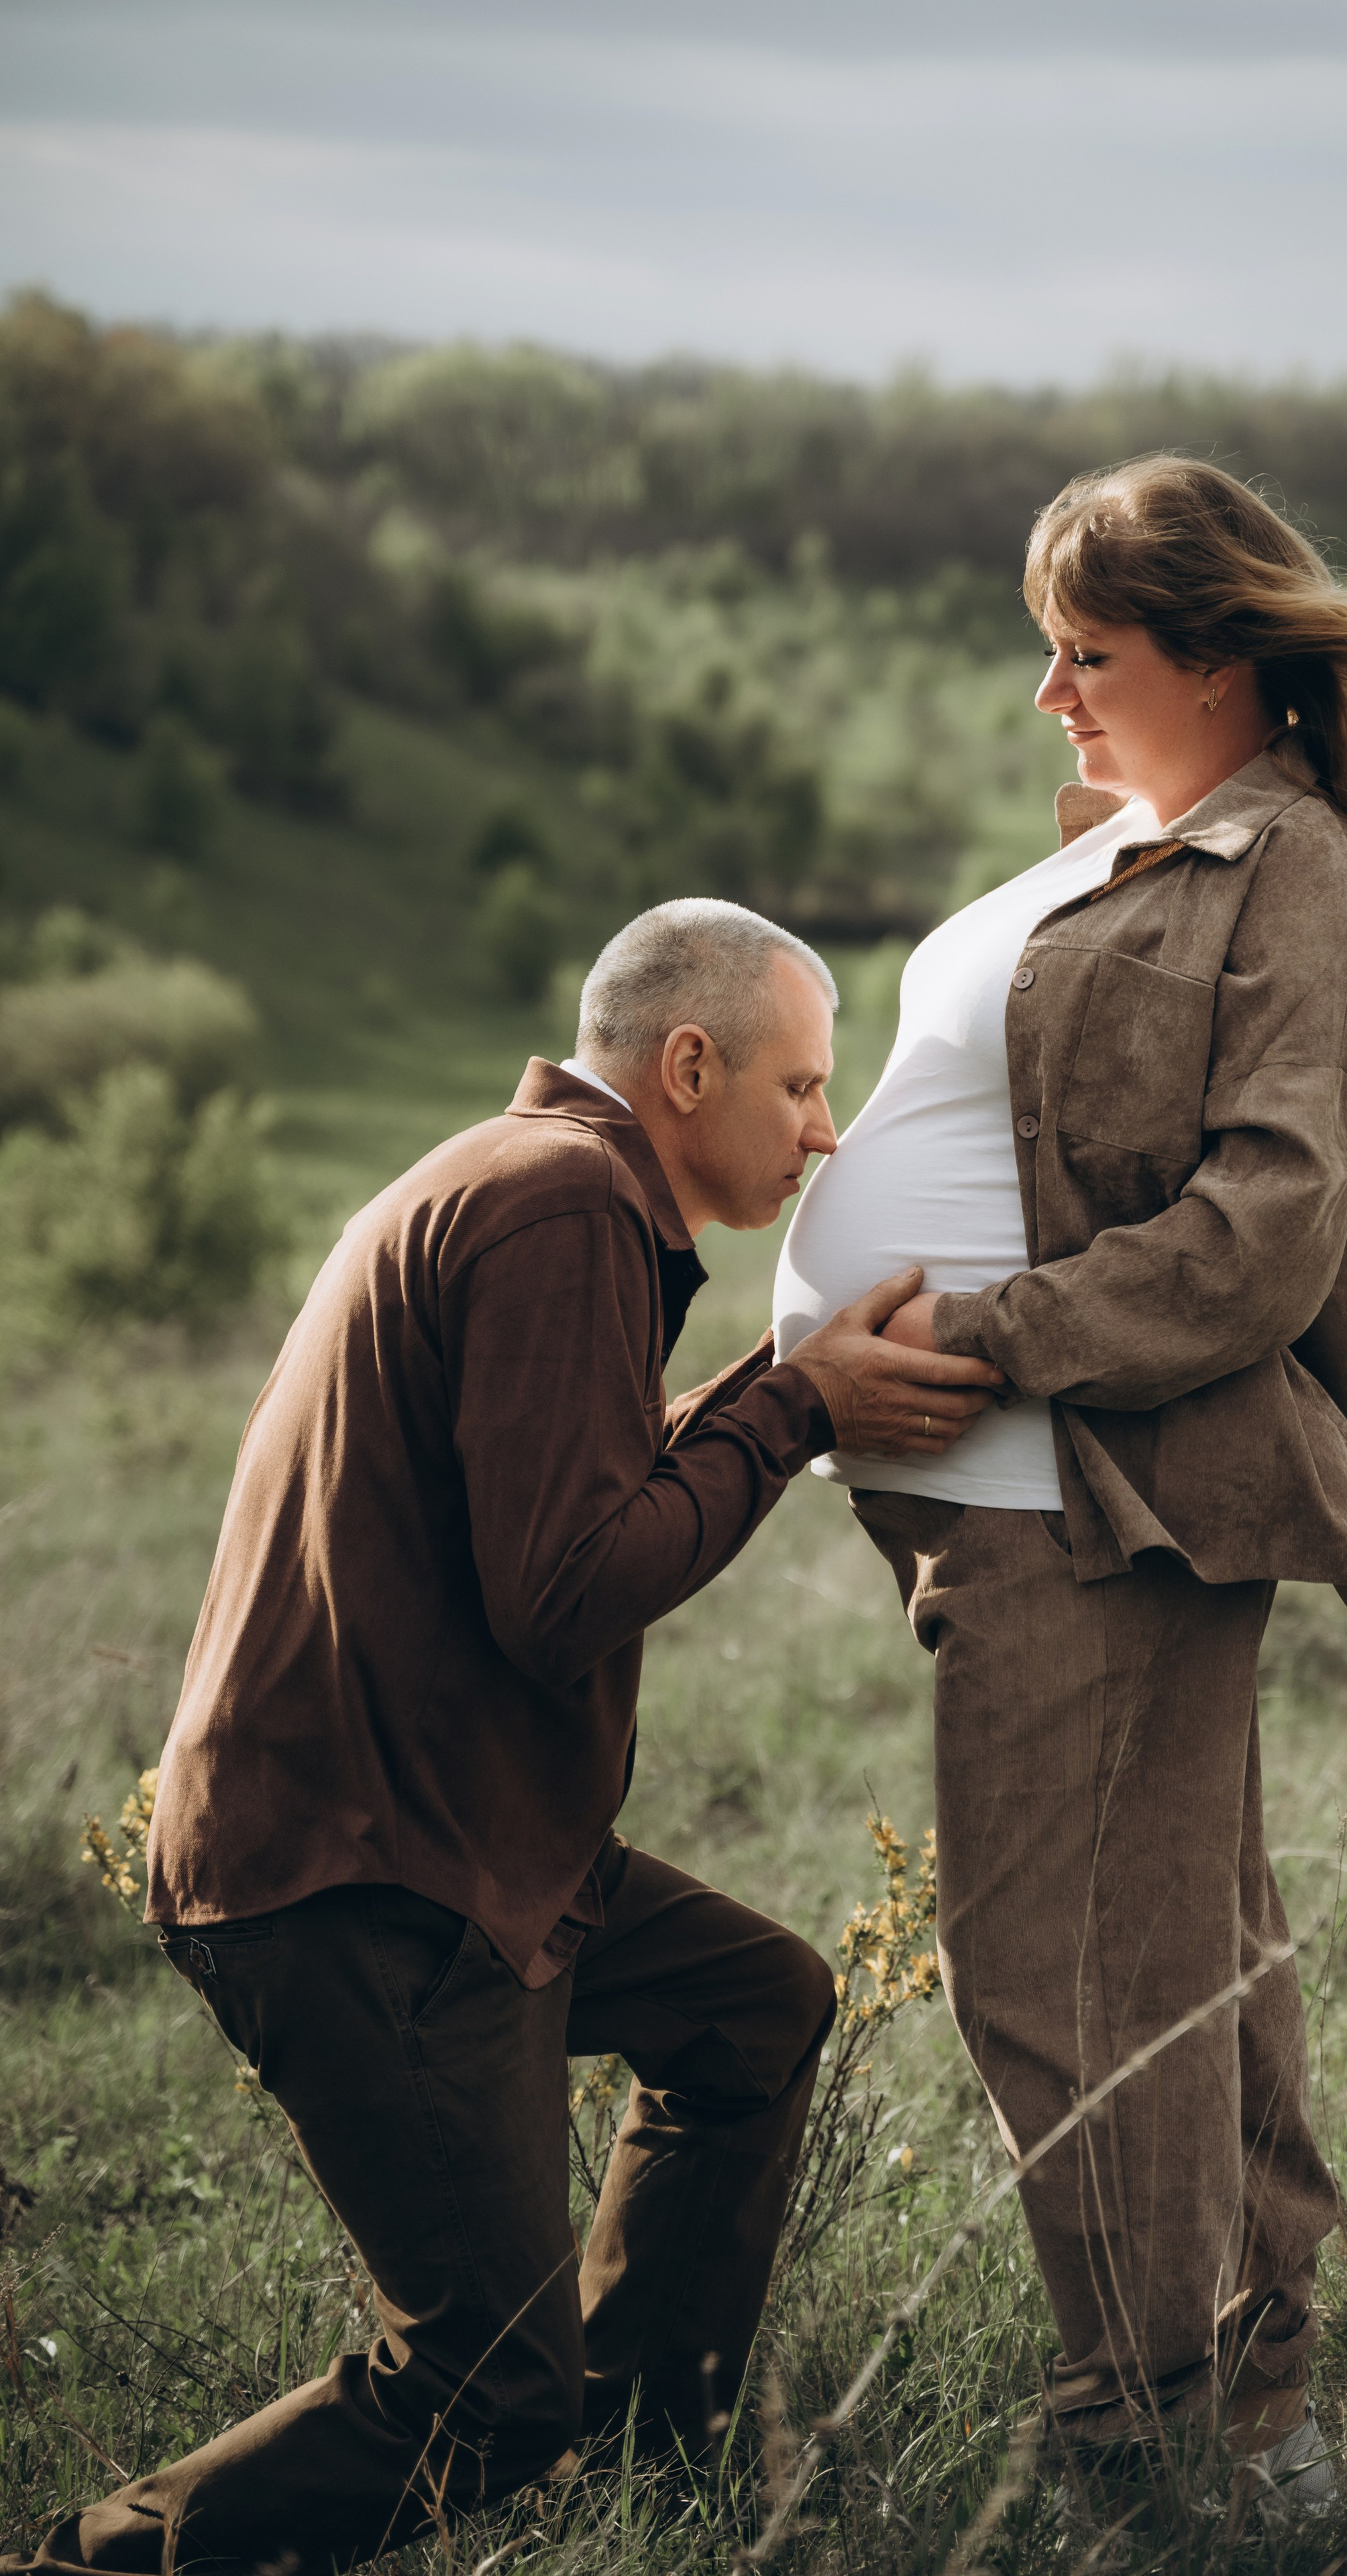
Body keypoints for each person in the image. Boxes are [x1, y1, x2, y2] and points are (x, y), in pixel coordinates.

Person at [8, 900, 1003, 2576]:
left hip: (446, 1838)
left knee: (751, 2007)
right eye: (801, 1085)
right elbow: (564, 1590)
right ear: (685, 1067)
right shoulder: (562, 1211)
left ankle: (636, 2482)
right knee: (478, 2390)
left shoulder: (527, 1179)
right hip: (365, 1874)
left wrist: (775, 1380)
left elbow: (552, 1501)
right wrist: (795, 1405)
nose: (824, 1130)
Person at [775, 458, 1347, 2504]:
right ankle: (1252, 2404)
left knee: (1067, 1974)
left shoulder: (1298, 870)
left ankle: (1142, 2439)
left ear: (1219, 652)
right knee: (1175, 1945)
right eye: (1045, 655)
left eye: (1085, 655)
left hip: (1104, 1485)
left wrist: (972, 1342)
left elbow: (1268, 1221)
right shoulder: (1141, 844)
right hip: (1009, 1496)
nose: (1048, 696)